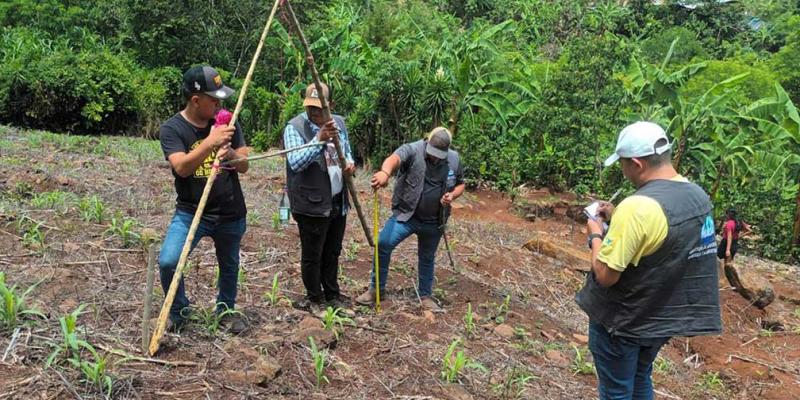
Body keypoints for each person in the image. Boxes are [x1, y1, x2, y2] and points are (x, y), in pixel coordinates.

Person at [575, 121, 721, 400]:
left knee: (617, 391)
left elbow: (605, 276)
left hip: (624, 322)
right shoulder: (696, 196)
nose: (623, 170)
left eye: (623, 164)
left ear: (637, 164)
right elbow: (663, 238)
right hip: (659, 318)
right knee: (641, 377)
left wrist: (595, 234)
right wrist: (617, 216)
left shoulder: (637, 207)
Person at [158, 65, 250, 334]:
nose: (219, 105)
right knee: (169, 261)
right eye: (214, 100)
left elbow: (245, 165)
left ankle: (226, 311)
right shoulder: (172, 129)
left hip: (230, 210)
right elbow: (182, 167)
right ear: (196, 100)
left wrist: (230, 153)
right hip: (191, 211)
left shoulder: (228, 123)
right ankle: (178, 311)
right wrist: (210, 143)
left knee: (229, 265)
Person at [355, 127, 465, 311]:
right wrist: (385, 173)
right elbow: (394, 158)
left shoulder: (454, 159)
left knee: (427, 257)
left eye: (439, 155)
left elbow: (461, 184)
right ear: (427, 142)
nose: (435, 158)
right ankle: (376, 290)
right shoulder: (413, 149)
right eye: (432, 153)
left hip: (434, 220)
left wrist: (452, 195)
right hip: (407, 215)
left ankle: (425, 296)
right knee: (383, 244)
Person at [284, 83, 355, 313]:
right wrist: (319, 139)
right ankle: (315, 299)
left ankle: (332, 294)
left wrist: (350, 164)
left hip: (337, 201)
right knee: (313, 255)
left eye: (319, 107)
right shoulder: (295, 127)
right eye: (310, 107)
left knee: (332, 251)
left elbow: (347, 152)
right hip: (311, 203)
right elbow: (295, 162)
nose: (313, 112)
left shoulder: (339, 123)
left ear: (330, 105)